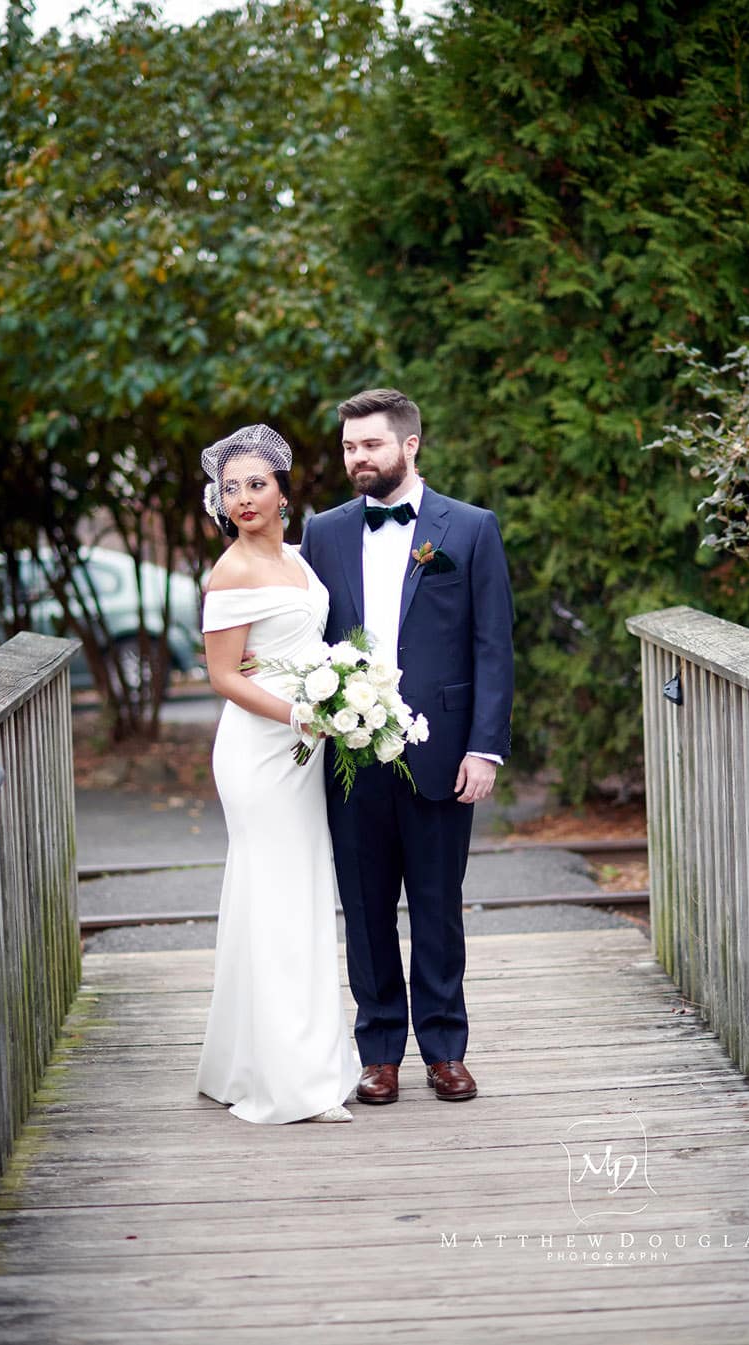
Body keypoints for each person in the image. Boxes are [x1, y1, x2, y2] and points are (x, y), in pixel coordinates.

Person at [299, 388, 514, 1105]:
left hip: (441, 749)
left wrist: (485, 747)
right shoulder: (323, 533)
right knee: (363, 907)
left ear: (409, 445)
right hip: (351, 755)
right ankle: (380, 1050)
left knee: (436, 903)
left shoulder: (471, 528)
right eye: (349, 447)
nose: (358, 458)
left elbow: (493, 646)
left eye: (372, 445)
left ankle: (446, 1049)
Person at [194, 424, 360, 1125]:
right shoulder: (228, 571)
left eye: (256, 483)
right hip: (261, 753)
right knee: (277, 894)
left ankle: (253, 1055)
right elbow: (223, 676)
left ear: (284, 491)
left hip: (306, 744)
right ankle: (290, 1076)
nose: (243, 498)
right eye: (231, 488)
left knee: (296, 891)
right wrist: (300, 712)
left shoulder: (300, 558)